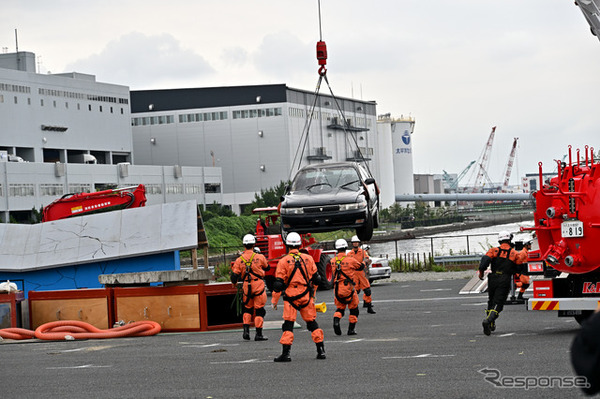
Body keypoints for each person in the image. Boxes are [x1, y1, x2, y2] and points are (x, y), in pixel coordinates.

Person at [271, 232, 326, 362]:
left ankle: (286, 354)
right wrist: (313, 295)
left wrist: (274, 300)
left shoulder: (284, 261)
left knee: (288, 325)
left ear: (287, 244)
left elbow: (278, 284)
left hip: (291, 297)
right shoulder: (308, 258)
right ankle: (321, 350)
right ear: (300, 244)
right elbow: (317, 279)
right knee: (312, 323)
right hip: (306, 296)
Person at [478, 231, 526, 336]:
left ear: (499, 240)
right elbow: (519, 268)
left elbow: (484, 262)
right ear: (509, 240)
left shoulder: (493, 250)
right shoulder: (514, 253)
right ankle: (488, 320)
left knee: (491, 300)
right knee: (499, 303)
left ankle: (491, 323)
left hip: (493, 278)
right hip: (505, 278)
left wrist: (481, 273)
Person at [230, 234, 270, 341]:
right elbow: (267, 267)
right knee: (259, 310)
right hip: (258, 286)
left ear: (244, 245)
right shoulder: (260, 257)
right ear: (254, 244)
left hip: (246, 286)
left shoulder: (239, 259)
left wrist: (234, 284)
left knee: (247, 309)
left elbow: (234, 275)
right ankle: (259, 334)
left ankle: (246, 332)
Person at [330, 239, 363, 336]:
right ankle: (351, 330)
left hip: (338, 289)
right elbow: (360, 267)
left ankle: (336, 321)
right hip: (349, 289)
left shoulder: (332, 261)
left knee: (340, 309)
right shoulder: (350, 260)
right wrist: (365, 263)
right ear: (345, 248)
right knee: (354, 309)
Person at [346, 235, 376, 314]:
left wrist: (365, 262)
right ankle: (353, 308)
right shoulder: (349, 254)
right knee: (354, 292)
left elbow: (368, 260)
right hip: (354, 274)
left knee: (367, 290)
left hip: (362, 273)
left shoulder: (363, 252)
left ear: (359, 243)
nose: (355, 244)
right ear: (352, 244)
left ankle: (369, 306)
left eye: (356, 242)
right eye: (354, 242)